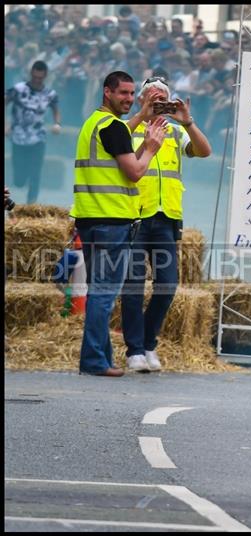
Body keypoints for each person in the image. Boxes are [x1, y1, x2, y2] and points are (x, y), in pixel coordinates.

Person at [70, 71, 166, 377]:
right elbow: (136, 172)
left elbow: (121, 156)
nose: (127, 98)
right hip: (111, 221)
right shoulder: (112, 127)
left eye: (131, 93)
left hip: (91, 218)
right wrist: (151, 147)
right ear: (107, 92)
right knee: (103, 293)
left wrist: (140, 117)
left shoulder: (94, 123)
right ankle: (95, 361)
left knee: (100, 291)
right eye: (122, 93)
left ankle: (99, 359)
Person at [119, 76, 212, 373]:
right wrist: (146, 140)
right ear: (141, 100)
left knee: (167, 285)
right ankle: (134, 350)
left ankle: (148, 343)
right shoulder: (128, 128)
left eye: (164, 99)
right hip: (135, 215)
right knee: (133, 286)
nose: (158, 104)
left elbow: (204, 151)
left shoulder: (174, 130)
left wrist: (188, 121)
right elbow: (122, 165)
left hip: (167, 216)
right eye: (152, 98)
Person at [4, 61, 61, 204]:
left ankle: (31, 203)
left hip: (38, 137)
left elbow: (56, 109)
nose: (37, 80)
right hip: (18, 137)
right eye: (35, 77)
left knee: (36, 172)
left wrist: (56, 123)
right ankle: (21, 180)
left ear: (45, 76)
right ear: (31, 74)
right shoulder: (18, 89)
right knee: (19, 179)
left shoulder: (50, 94)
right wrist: (6, 124)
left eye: (40, 78)